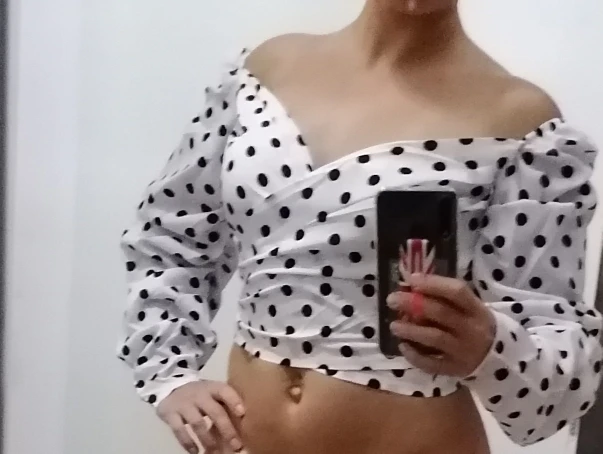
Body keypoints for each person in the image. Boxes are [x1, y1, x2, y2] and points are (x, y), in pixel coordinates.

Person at [117, 1, 603, 453]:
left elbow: (555, 373)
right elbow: (172, 234)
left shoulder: (523, 122)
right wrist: (169, 374)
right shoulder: (262, 72)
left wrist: (490, 347)